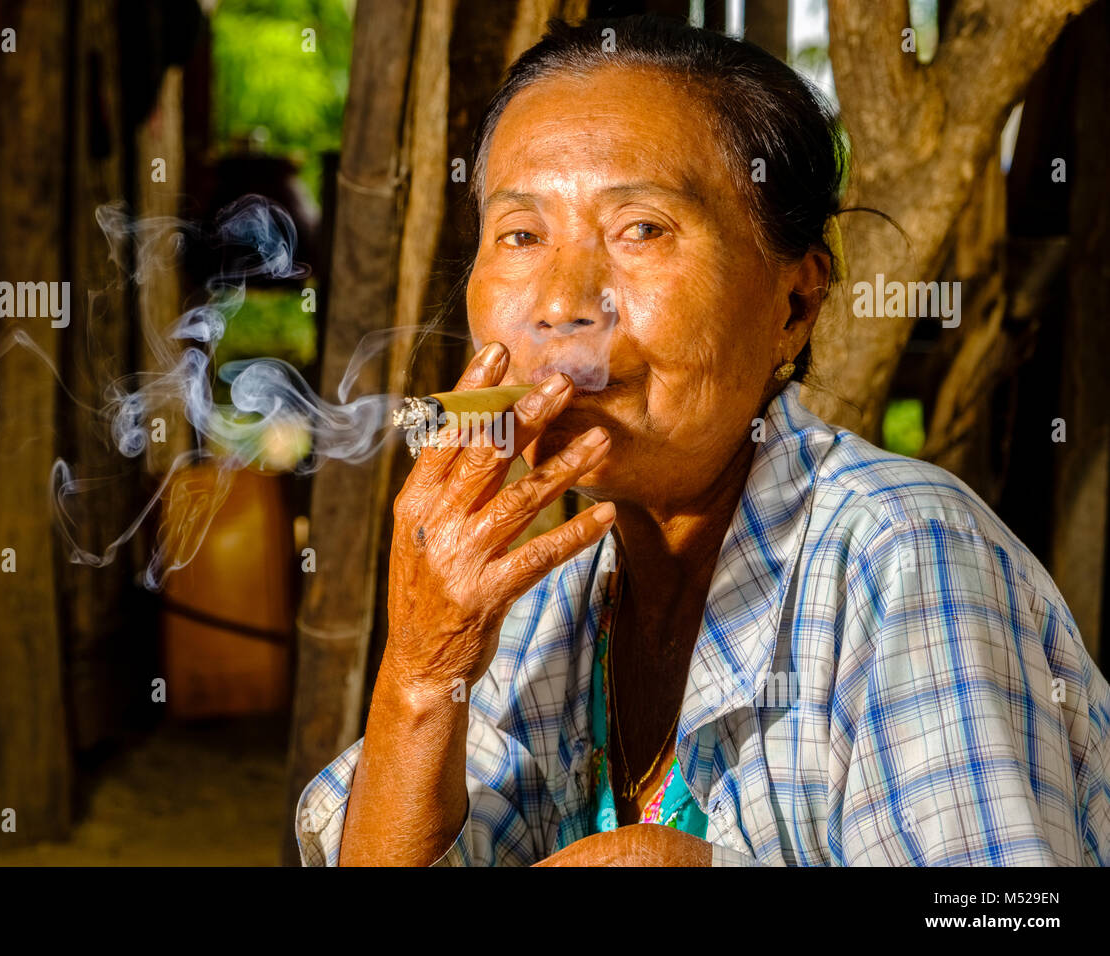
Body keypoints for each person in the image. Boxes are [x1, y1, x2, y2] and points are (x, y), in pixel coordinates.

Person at [296, 15, 1110, 866]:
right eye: (521, 236)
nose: (564, 303)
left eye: (642, 229)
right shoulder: (546, 617)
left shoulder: (903, 553)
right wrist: (423, 673)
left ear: (793, 305)